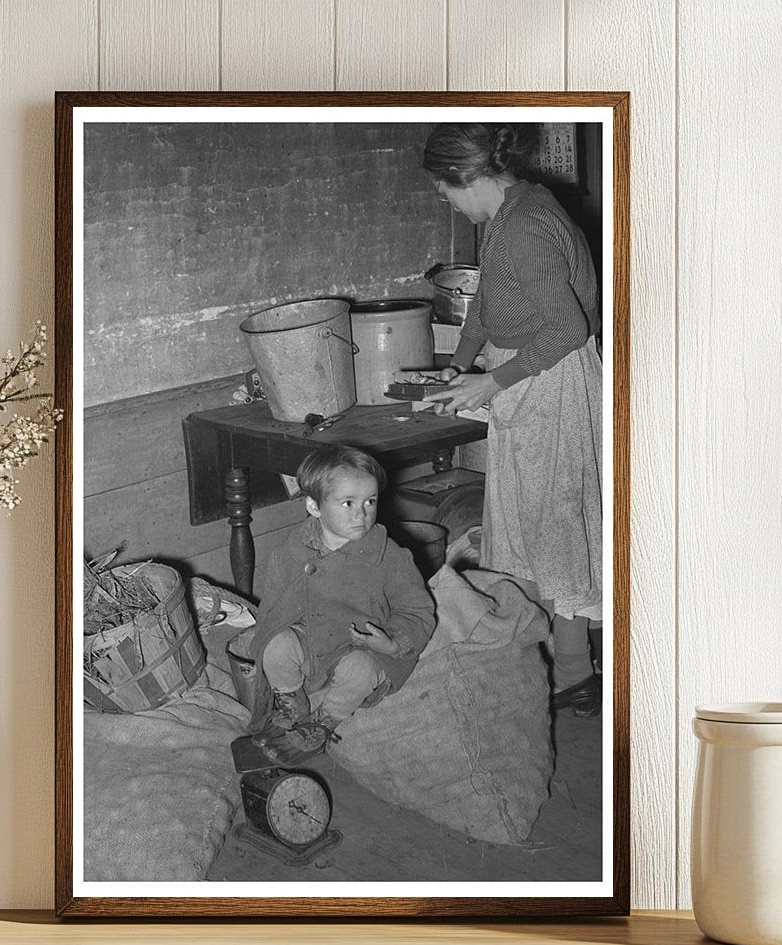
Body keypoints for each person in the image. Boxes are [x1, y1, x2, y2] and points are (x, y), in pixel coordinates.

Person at [423, 122, 603, 717]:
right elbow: (486, 303)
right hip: (524, 377)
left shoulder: (526, 224)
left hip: (548, 385)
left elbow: (567, 328)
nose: (443, 199)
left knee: (552, 529)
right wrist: (458, 366)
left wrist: (492, 380)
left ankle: (571, 669)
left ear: (470, 177)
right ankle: (543, 653)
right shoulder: (505, 212)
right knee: (528, 528)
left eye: (444, 188)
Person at [239, 445, 436, 768]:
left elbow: (417, 611)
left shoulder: (390, 556)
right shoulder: (291, 552)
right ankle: (292, 704)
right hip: (312, 643)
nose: (362, 514)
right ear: (314, 506)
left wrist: (392, 641)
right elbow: (272, 611)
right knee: (277, 646)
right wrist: (278, 640)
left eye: (370, 501)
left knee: (360, 670)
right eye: (347, 503)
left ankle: (324, 720)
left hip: (362, 647)